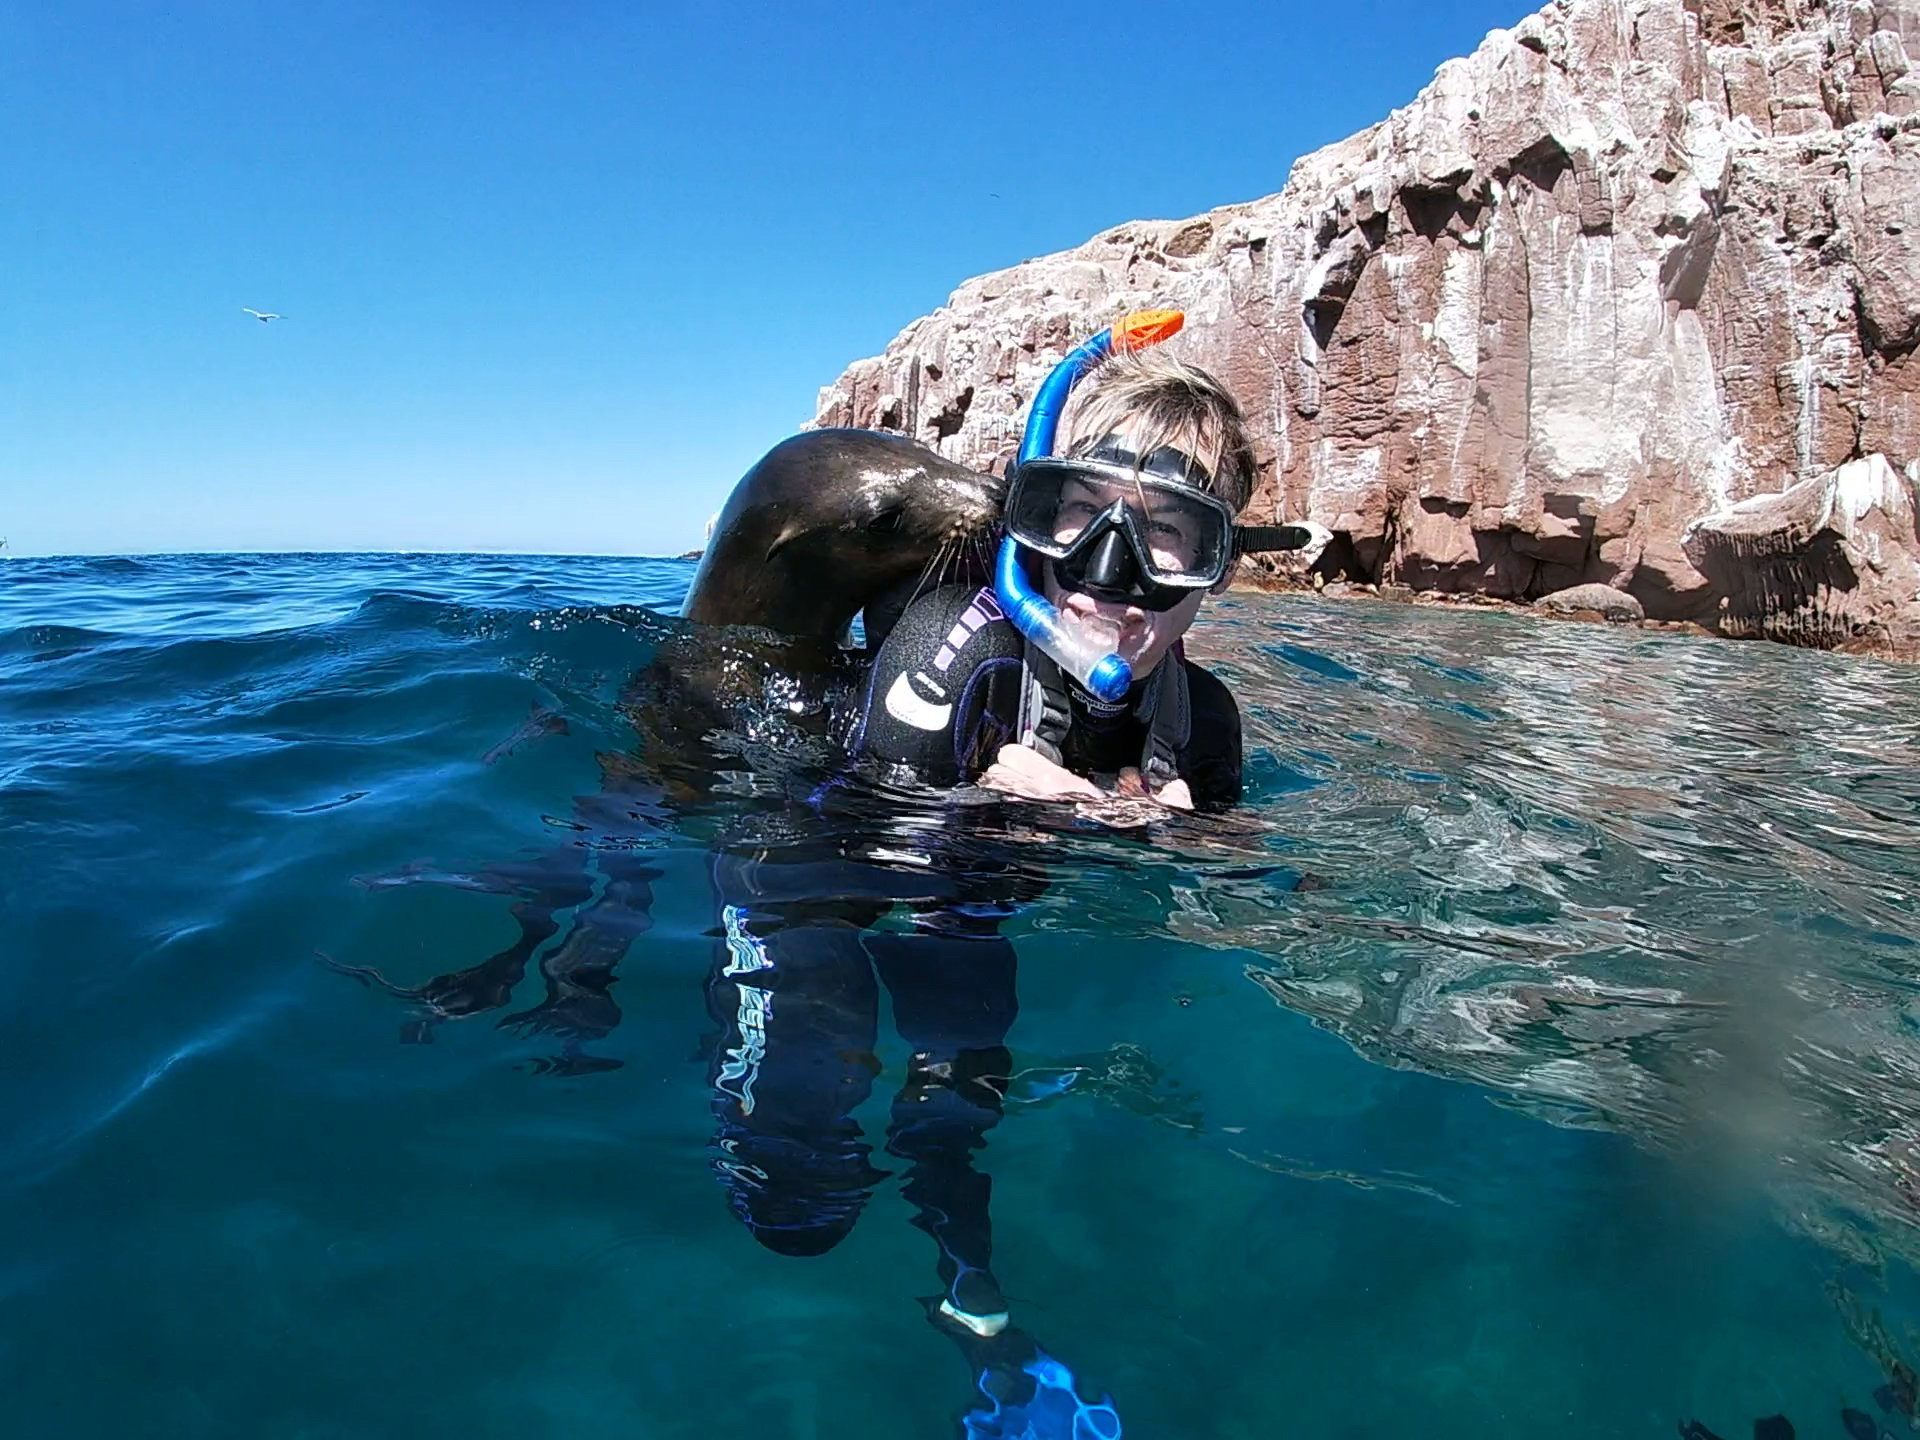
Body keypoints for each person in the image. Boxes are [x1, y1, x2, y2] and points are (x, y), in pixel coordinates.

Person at [702, 317, 1278, 1433]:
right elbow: (852, 840)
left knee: (956, 1100)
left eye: (1169, 536)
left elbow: (1246, 861)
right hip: (813, 869)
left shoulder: (1203, 720)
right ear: (1033, 513)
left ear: (1217, 568)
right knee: (797, 1172)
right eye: (1080, 514)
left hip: (971, 912)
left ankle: (971, 1299)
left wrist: (1153, 834)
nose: (1111, 575)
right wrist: (984, 811)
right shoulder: (942, 658)